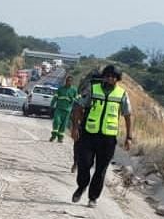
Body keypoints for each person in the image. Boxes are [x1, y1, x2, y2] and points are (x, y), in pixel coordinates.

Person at [71, 64, 132, 208]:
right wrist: (75, 127)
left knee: (101, 169)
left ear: (117, 79)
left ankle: (93, 198)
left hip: (108, 139)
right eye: (108, 76)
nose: (110, 78)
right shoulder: (93, 89)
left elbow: (128, 116)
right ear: (104, 77)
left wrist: (129, 137)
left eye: (113, 77)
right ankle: (82, 186)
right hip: (89, 135)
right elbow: (79, 107)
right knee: (84, 164)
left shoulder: (121, 94)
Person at [49, 75, 78, 142]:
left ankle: (60, 138)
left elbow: (77, 99)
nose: (69, 82)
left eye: (70, 81)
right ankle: (53, 136)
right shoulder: (60, 89)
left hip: (67, 110)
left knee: (63, 125)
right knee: (56, 121)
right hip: (59, 109)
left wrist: (73, 99)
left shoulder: (74, 90)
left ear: (72, 82)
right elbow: (55, 98)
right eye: (68, 81)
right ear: (66, 81)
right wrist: (51, 106)